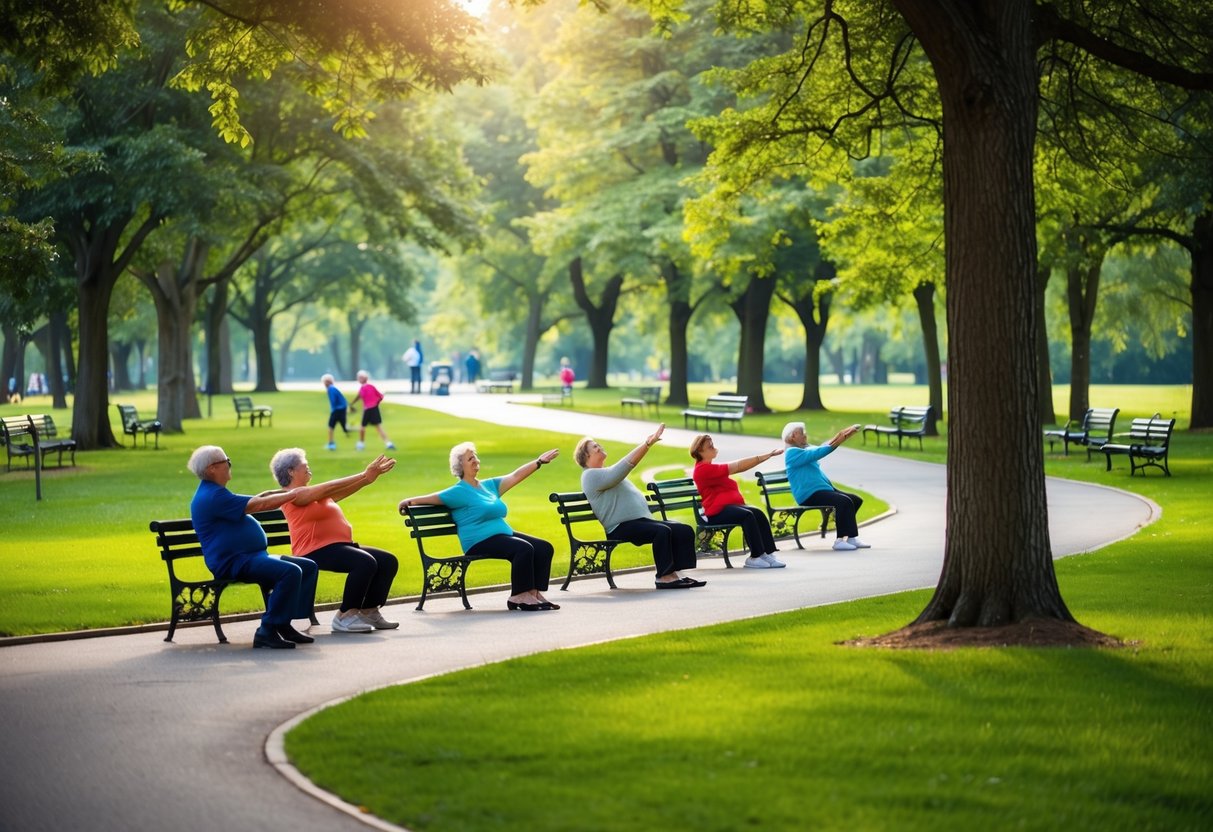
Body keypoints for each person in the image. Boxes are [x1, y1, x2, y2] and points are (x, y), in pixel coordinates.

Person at [399, 443, 561, 611]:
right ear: (460, 465)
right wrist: (407, 502)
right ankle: (518, 595)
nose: (475, 460)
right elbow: (429, 498)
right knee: (523, 548)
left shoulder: (489, 486)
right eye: (470, 458)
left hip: (502, 535)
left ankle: (532, 593)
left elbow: (515, 476)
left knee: (543, 547)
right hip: (478, 541)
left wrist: (539, 462)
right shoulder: (458, 492)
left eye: (475, 456)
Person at [188, 445, 319, 650]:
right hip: (234, 561)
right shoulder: (213, 496)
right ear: (212, 468)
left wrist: (289, 492)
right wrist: (293, 494)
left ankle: (282, 623)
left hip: (250, 557)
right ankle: (267, 630)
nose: (230, 464)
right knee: (290, 572)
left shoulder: (216, 493)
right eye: (226, 461)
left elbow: (256, 501)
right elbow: (258, 505)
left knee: (308, 566)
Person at [270, 448, 401, 633]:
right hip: (313, 550)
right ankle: (345, 616)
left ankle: (369, 611)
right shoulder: (293, 495)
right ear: (290, 471)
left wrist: (367, 479)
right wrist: (363, 474)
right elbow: (330, 487)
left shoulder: (313, 494)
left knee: (387, 561)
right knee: (364, 562)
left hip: (337, 546)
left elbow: (340, 491)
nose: (308, 466)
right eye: (303, 463)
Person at [575, 424, 704, 589]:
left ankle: (676, 573)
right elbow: (626, 466)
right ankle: (663, 576)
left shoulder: (605, 472)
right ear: (586, 455)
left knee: (682, 529)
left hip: (639, 521)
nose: (600, 447)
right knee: (662, 531)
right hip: (620, 527)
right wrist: (647, 444)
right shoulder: (590, 476)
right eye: (595, 447)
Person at [689, 434, 786, 569]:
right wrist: (767, 455)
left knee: (757, 513)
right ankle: (755, 556)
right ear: (699, 451)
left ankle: (766, 554)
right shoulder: (703, 470)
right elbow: (739, 466)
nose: (713, 447)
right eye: (709, 446)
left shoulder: (710, 467)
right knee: (747, 515)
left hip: (728, 508)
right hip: (715, 513)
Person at [782, 421, 869, 551]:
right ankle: (839, 541)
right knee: (843, 501)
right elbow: (819, 452)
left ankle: (851, 537)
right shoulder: (792, 452)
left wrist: (845, 434)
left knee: (855, 500)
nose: (805, 435)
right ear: (793, 436)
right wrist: (841, 439)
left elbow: (823, 446)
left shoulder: (804, 448)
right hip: (808, 494)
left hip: (821, 490)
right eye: (802, 433)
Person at [349, 370, 396, 452]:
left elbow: (359, 396)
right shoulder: (371, 386)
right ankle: (388, 444)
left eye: (360, 377)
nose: (358, 379)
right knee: (378, 427)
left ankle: (361, 444)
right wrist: (376, 403)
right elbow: (380, 396)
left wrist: (352, 404)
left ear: (364, 379)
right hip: (375, 408)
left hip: (367, 409)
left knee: (362, 427)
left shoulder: (363, 388)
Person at [322, 374, 349, 451]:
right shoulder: (333, 388)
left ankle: (331, 444)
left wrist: (333, 410)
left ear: (327, 382)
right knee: (344, 428)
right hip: (341, 409)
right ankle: (331, 443)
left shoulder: (331, 389)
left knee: (330, 427)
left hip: (337, 410)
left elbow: (333, 401)